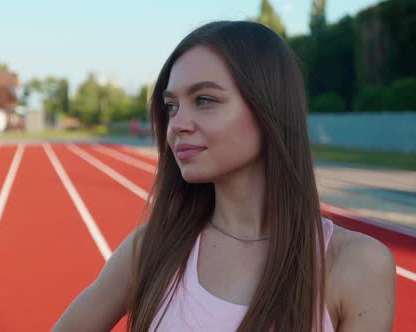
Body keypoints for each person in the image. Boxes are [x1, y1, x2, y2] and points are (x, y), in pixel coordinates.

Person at [52, 21, 396, 332]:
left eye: (204, 100)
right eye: (171, 106)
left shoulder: (356, 264)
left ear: (269, 110)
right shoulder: (150, 250)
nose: (178, 124)